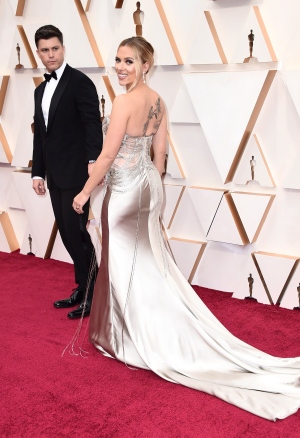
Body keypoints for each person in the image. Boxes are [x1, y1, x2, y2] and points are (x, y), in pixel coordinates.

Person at [73, 37, 300, 420]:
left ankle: (135, 337)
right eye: (117, 60)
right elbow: (159, 154)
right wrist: (151, 185)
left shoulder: (125, 101)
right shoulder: (158, 100)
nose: (121, 67)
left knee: (126, 263)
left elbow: (109, 154)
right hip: (148, 186)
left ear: (146, 64)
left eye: (129, 61)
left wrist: (83, 192)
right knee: (149, 262)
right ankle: (146, 326)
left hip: (126, 190)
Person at [32, 25, 103, 319]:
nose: (51, 54)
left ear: (63, 48)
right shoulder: (40, 89)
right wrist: (38, 172)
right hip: (54, 175)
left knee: (76, 232)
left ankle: (93, 293)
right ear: (38, 52)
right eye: (45, 50)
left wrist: (93, 161)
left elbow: (92, 124)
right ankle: (83, 287)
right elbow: (41, 135)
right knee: (67, 232)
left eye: (55, 48)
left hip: (77, 172)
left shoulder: (80, 82)